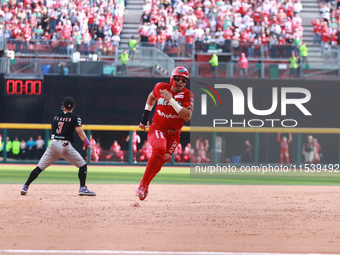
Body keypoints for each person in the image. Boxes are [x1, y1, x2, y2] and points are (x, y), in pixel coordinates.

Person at [134, 66, 194, 200]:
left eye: (184, 80)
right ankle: (142, 184)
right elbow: (151, 97)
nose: (180, 82)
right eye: (177, 78)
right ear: (171, 78)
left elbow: (187, 116)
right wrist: (144, 118)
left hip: (174, 134)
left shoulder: (187, 94)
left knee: (159, 164)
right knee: (160, 149)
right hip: (158, 128)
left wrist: (171, 100)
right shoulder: (160, 87)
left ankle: (146, 186)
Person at [20, 97, 96, 196]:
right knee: (82, 165)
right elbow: (80, 132)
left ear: (63, 106)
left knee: (39, 168)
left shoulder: (56, 117)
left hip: (53, 144)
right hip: (65, 145)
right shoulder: (75, 117)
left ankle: (25, 186)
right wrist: (89, 145)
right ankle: (82, 188)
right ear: (73, 106)